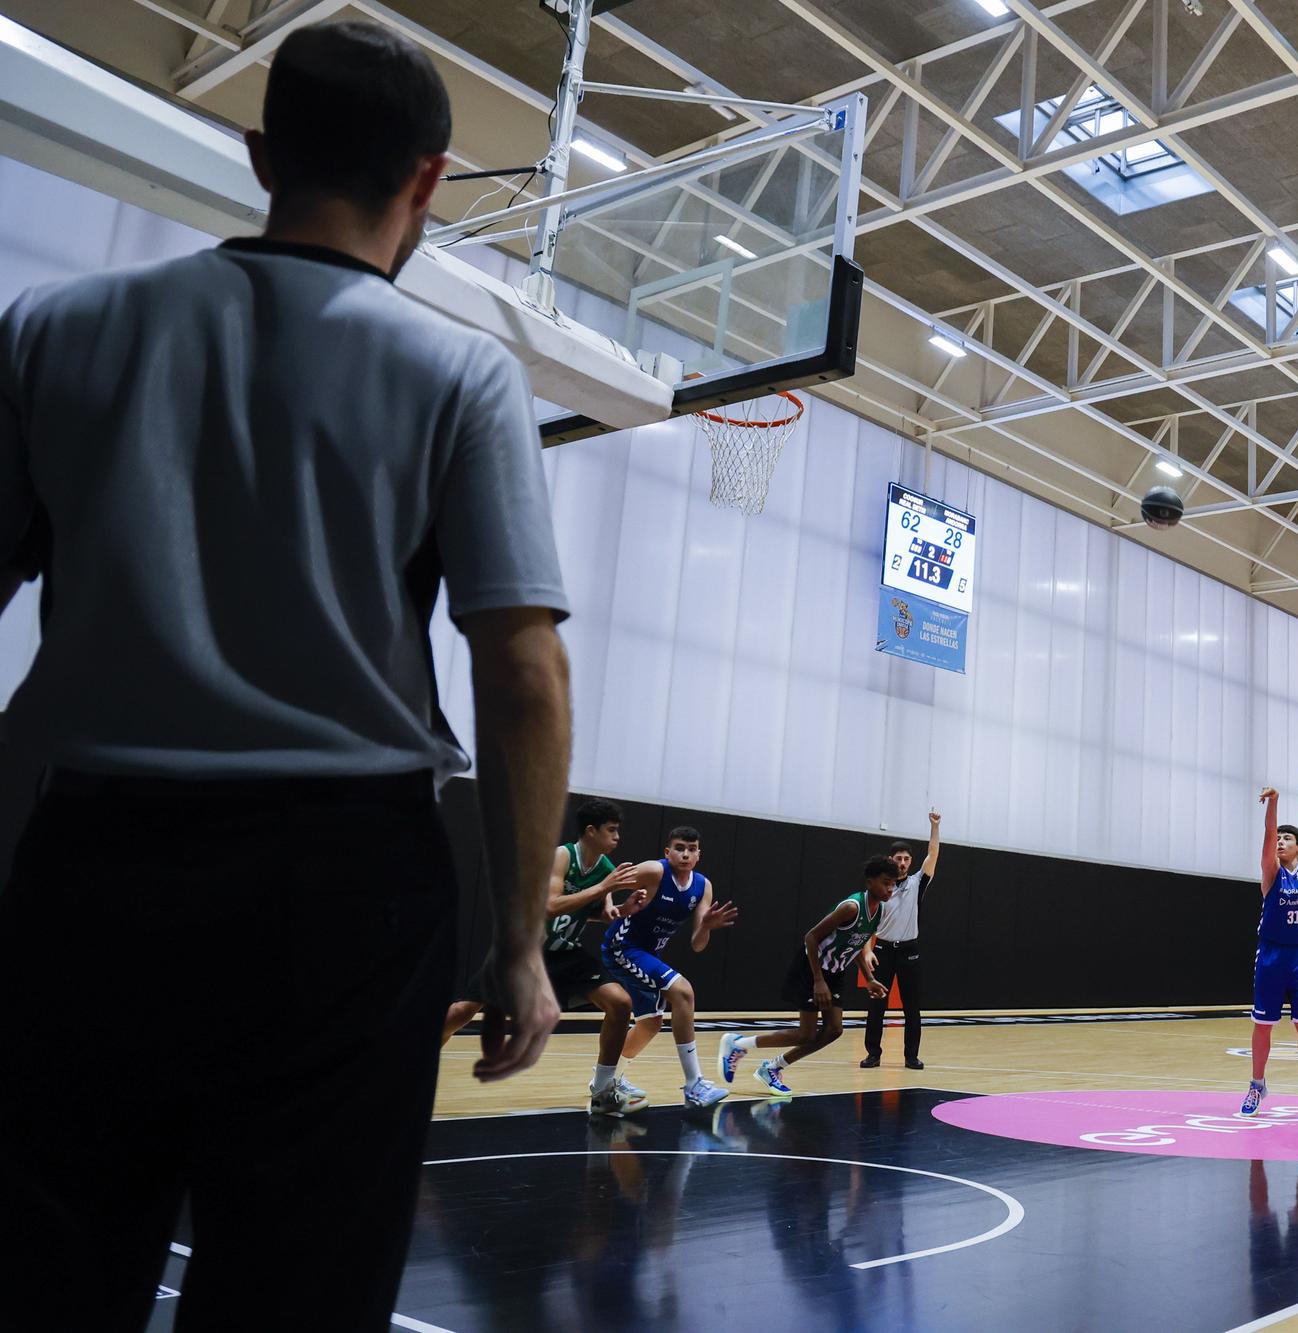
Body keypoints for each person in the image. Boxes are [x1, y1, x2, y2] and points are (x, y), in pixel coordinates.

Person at [0, 20, 571, 1328]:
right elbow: (523, 670)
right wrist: (520, 943)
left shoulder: (51, 328)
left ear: (261, 154)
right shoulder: (462, 372)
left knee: (43, 1267)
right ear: (428, 179)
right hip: (341, 892)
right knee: (297, 1290)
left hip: (92, 867)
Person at [440, 798, 643, 1107]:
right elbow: (550, 907)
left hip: (564, 954)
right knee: (461, 1012)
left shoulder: (605, 868)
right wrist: (602, 889)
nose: (618, 838)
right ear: (591, 831)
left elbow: (597, 913)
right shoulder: (561, 857)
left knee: (620, 1002)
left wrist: (622, 910)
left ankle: (602, 1088)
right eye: (612, 830)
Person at [718, 857, 897, 1097]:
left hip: (835, 971)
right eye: (886, 883)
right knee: (806, 1034)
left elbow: (857, 943)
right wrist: (818, 980)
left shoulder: (880, 911)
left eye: (893, 885)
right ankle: (738, 1044)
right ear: (870, 882)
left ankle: (772, 1067)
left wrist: (869, 978)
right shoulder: (851, 907)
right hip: (811, 967)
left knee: (834, 1030)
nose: (890, 889)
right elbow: (811, 937)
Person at [600, 826, 736, 1112]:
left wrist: (707, 927)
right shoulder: (653, 871)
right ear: (667, 852)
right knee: (683, 991)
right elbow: (607, 881)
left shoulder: (702, 886)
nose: (685, 854)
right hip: (622, 947)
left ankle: (607, 1081)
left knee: (650, 1024)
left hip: (647, 953)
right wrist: (611, 904)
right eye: (679, 847)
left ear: (699, 854)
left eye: (691, 849)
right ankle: (694, 1084)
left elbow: (698, 944)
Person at [1241, 780, 1298, 1119]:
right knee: (1263, 1024)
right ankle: (1257, 1084)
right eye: (1279, 838)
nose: (1279, 842)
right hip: (1272, 954)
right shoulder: (1271, 873)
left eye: (1286, 839)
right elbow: (1266, 838)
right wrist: (1273, 804)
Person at [861, 810, 942, 1071]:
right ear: (890, 861)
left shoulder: (918, 882)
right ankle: (873, 1054)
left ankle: (911, 1056)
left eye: (907, 859)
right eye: (899, 858)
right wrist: (867, 951)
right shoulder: (878, 888)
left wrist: (935, 827)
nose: (904, 862)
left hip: (909, 950)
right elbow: (863, 924)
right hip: (882, 949)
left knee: (912, 1007)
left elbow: (933, 854)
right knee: (877, 1005)